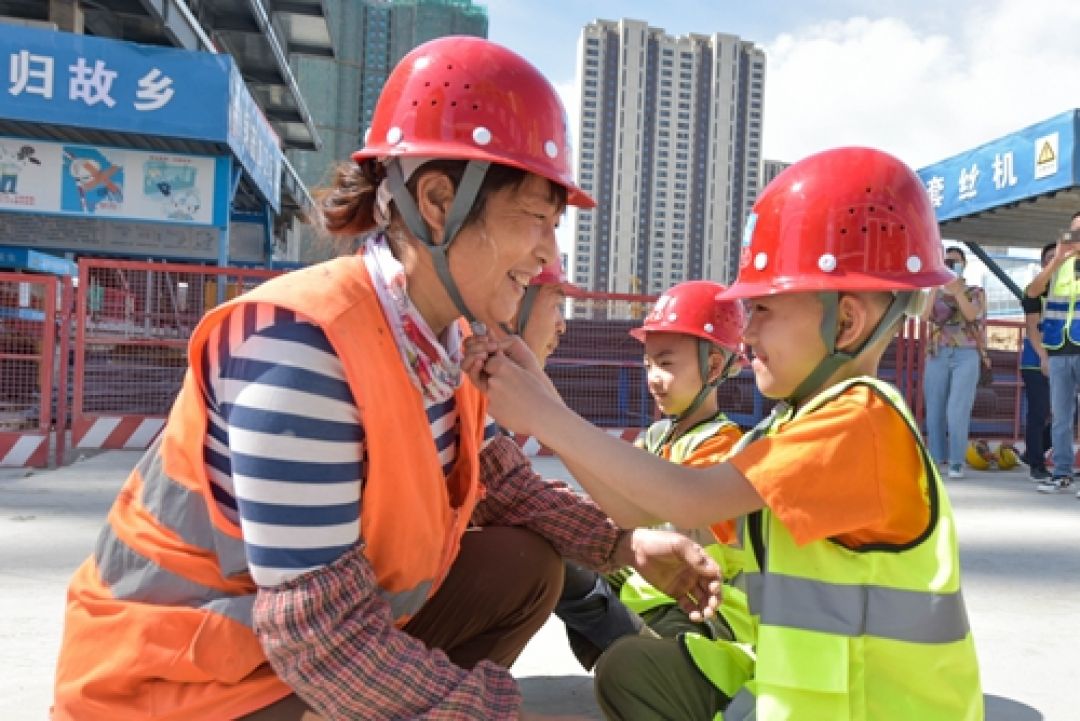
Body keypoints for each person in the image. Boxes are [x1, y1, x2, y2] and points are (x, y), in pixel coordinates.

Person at [51, 37, 722, 721]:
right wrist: (486, 711)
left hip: (285, 653)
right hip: (181, 686)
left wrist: (625, 545)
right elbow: (321, 638)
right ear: (438, 201)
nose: (548, 254)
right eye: (537, 220)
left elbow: (503, 484)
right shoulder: (302, 352)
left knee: (527, 569)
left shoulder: (448, 340)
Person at [467, 147, 983, 720]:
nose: (747, 333)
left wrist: (544, 416)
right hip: (813, 698)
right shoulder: (796, 422)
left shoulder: (858, 421)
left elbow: (688, 498)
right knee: (632, 671)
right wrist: (542, 396)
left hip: (879, 710)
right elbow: (636, 511)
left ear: (847, 321)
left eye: (763, 309)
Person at [1025, 211, 1080, 495]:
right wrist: (1057, 260)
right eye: (1074, 232)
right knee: (1060, 416)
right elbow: (1032, 293)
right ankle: (1061, 473)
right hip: (1059, 348)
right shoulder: (1059, 267)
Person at [921, 246, 987, 479]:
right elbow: (924, 315)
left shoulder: (975, 291)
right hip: (938, 351)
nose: (950, 265)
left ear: (963, 265)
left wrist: (957, 290)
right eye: (946, 261)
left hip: (966, 353)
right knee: (935, 407)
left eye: (955, 262)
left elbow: (971, 315)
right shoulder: (934, 291)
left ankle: (957, 461)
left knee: (957, 409)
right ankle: (938, 458)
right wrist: (934, 286)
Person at [1019, 242, 1056, 481]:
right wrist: (1044, 357)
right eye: (1048, 258)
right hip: (1036, 361)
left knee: (1067, 414)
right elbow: (1032, 327)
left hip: (1065, 360)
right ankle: (1036, 464)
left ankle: (1033, 452)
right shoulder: (1034, 289)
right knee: (1038, 413)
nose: (1053, 262)